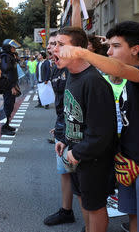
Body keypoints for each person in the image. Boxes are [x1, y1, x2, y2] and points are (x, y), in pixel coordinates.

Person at [59, 21, 139, 232]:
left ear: (135, 49)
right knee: (134, 220)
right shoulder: (126, 79)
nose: (109, 51)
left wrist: (81, 52)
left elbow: (117, 68)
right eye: (108, 46)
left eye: (116, 46)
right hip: (128, 163)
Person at [53, 27, 117, 232]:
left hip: (93, 160)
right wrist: (64, 139)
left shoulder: (94, 82)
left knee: (95, 206)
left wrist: (77, 152)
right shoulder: (71, 75)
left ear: (79, 50)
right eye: (54, 44)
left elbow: (102, 133)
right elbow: (72, 112)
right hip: (75, 154)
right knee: (82, 198)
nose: (54, 49)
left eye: (61, 45)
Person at [43, 33, 77, 227]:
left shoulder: (73, 68)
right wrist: (58, 125)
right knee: (64, 171)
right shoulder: (55, 68)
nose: (52, 48)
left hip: (75, 130)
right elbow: (60, 103)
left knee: (78, 175)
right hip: (61, 126)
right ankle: (66, 210)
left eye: (57, 44)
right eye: (50, 44)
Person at [0, 39, 21, 136]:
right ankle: (4, 127)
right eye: (12, 47)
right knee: (8, 106)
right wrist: (12, 86)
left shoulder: (10, 56)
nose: (14, 48)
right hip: (8, 86)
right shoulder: (5, 57)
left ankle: (7, 124)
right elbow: (7, 72)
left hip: (12, 84)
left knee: (11, 105)